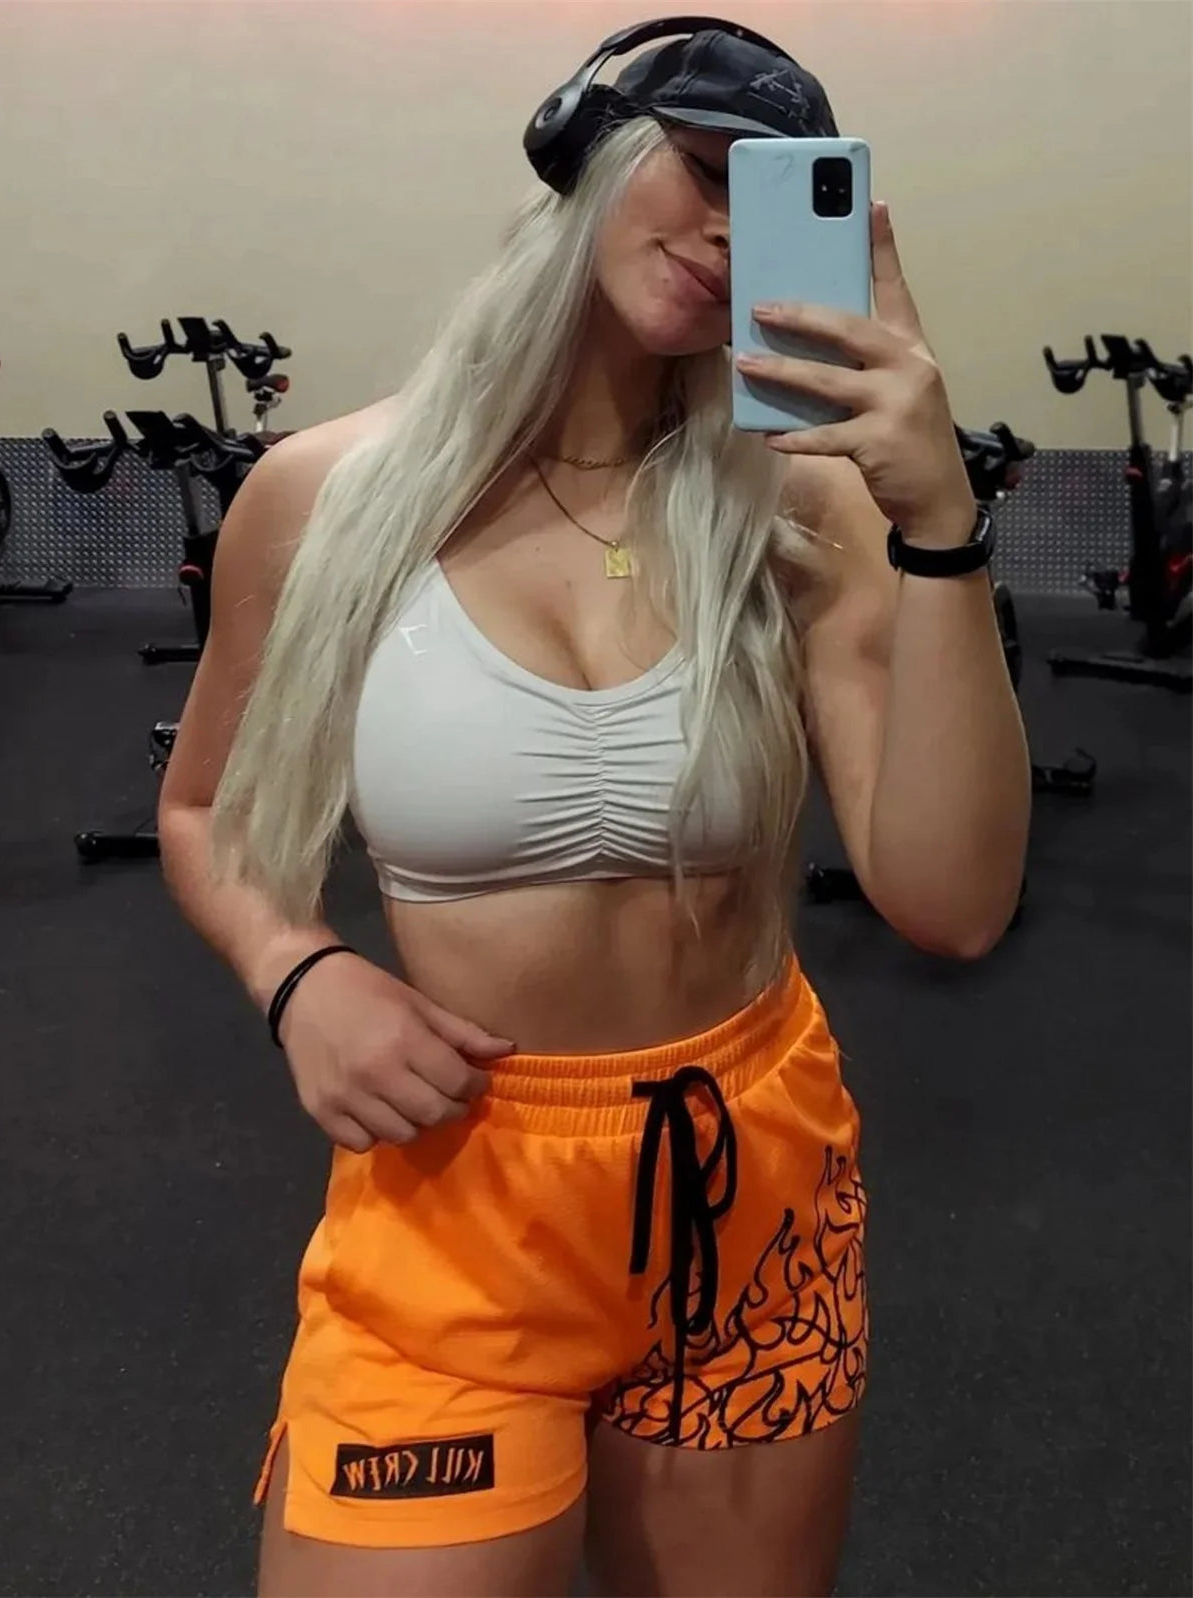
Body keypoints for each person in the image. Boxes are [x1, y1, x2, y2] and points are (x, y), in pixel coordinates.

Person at [158, 20, 1031, 1598]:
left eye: (773, 196)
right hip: (457, 1194)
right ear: (582, 151)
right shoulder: (327, 497)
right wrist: (297, 973)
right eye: (698, 168)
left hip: (750, 1187)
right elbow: (204, 802)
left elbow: (953, 903)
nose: (726, 226)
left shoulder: (804, 509)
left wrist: (942, 524)